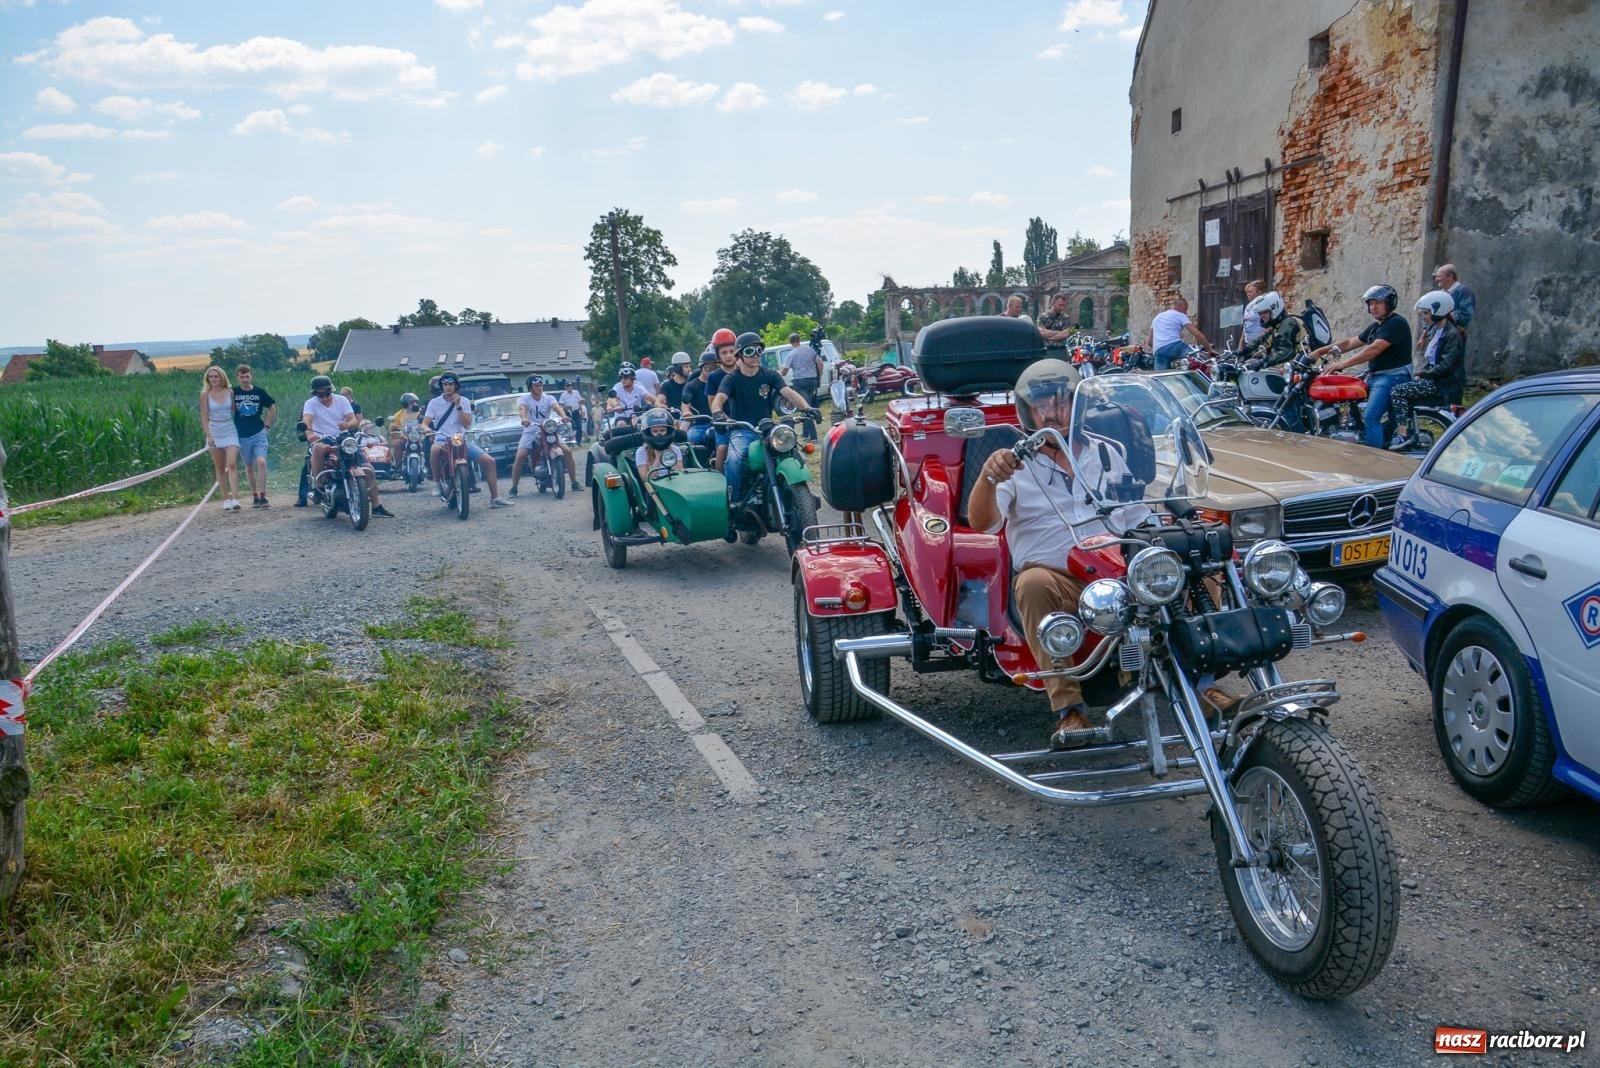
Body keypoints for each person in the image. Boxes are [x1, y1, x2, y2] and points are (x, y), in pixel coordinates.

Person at [966, 358, 1142, 747]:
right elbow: (982, 523)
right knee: (1031, 584)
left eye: (1060, 401)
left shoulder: (1108, 451)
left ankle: (1200, 685)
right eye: (1040, 404)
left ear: (1077, 404)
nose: (1051, 412)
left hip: (1114, 570)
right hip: (1059, 579)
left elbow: (1137, 516)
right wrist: (989, 476)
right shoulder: (1014, 464)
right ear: (1027, 412)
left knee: (1181, 559)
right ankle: (1069, 709)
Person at [710, 331, 816, 541]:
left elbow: (787, 392)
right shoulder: (732, 379)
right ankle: (733, 500)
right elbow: (718, 399)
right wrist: (718, 412)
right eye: (750, 351)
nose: (756, 355)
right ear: (740, 355)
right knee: (735, 459)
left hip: (767, 428)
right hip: (742, 430)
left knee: (791, 451)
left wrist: (807, 407)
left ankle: (798, 495)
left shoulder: (770, 375)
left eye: (759, 350)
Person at [1311, 284, 1413, 449]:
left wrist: (1343, 364)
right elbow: (1350, 343)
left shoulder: (1396, 323)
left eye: (1377, 303)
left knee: (1371, 417)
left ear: (1389, 303)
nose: (1373, 307)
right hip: (1376, 375)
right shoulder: (1376, 327)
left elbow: (1374, 349)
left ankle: (1374, 458)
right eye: (1370, 303)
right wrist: (1319, 351)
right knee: (1351, 402)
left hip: (1393, 376)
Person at [302, 374, 394, 518]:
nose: (324, 398)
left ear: (331, 390)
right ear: (315, 394)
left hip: (343, 437)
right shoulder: (310, 403)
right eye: (320, 395)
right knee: (318, 448)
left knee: (368, 468)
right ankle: (319, 486)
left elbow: (353, 420)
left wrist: (347, 424)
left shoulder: (342, 400)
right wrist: (310, 435)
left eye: (326, 394)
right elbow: (307, 421)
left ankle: (376, 506)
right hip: (322, 437)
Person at [1389, 290, 1466, 451]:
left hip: (1442, 383)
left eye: (1426, 313)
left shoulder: (1452, 334)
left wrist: (1422, 374)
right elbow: (1430, 360)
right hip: (1434, 379)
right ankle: (1402, 427)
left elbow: (1446, 365)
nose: (1423, 317)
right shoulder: (1436, 330)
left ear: (1439, 311)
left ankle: (1402, 435)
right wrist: (1421, 373)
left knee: (1397, 391)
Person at [423, 371, 513, 508]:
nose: (448, 387)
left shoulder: (464, 401)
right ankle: (437, 483)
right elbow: (425, 423)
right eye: (445, 384)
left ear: (456, 386)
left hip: (460, 439)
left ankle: (495, 498)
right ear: (442, 386)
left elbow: (466, 424)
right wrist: (427, 430)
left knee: (489, 461)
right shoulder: (434, 403)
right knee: (434, 449)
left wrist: (458, 406)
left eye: (451, 384)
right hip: (442, 437)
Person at [510, 374, 578, 496]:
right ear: (530, 388)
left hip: (548, 428)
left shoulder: (548, 398)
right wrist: (524, 418)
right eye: (536, 386)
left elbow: (556, 407)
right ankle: (514, 487)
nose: (539, 387)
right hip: (531, 429)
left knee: (567, 451)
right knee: (521, 455)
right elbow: (522, 409)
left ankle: (574, 482)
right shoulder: (525, 399)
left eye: (541, 385)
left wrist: (563, 416)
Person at [231, 363, 276, 509]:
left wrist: (267, 426)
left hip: (258, 432)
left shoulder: (259, 392)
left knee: (261, 462)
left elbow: (272, 407)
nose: (245, 379)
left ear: (251, 376)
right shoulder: (233, 393)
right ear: (237, 377)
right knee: (249, 466)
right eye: (242, 377)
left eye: (247, 376)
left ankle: (263, 496)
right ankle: (255, 496)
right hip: (242, 435)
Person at [201, 366, 242, 512]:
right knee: (219, 467)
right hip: (214, 430)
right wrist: (209, 436)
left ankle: (235, 498)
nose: (214, 379)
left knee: (232, 464)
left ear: (222, 377)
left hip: (229, 429)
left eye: (216, 376)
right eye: (211, 376)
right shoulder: (205, 394)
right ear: (208, 379)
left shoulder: (230, 392)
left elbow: (236, 411)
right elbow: (204, 417)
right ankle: (226, 499)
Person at [782, 330, 825, 442]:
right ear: (799, 340)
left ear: (790, 342)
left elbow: (784, 371)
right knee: (808, 404)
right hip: (812, 380)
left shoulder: (791, 354)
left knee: (805, 408)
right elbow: (820, 364)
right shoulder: (810, 350)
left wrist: (777, 376)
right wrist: (819, 378)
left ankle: (813, 436)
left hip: (800, 382)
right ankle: (805, 433)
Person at [705, 328, 740, 468]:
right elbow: (712, 404)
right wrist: (725, 419)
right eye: (724, 353)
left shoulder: (744, 372)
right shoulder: (713, 377)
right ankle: (720, 476)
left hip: (745, 420)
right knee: (722, 448)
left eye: (732, 351)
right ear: (718, 356)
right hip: (724, 423)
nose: (729, 356)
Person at [1150, 296, 1212, 370]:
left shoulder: (1157, 318)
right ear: (1179, 306)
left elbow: (1150, 342)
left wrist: (1162, 349)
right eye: (1185, 309)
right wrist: (1209, 349)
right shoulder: (1179, 315)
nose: (1186, 312)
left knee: (1161, 375)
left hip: (1158, 350)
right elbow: (1196, 334)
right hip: (1175, 346)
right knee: (1202, 359)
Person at [681, 350, 720, 462]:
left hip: (721, 423)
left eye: (715, 368)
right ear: (701, 368)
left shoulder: (723, 383)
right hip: (700, 424)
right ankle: (694, 465)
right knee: (690, 440)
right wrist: (687, 412)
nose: (712, 371)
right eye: (708, 368)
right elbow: (685, 404)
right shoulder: (691, 386)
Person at [634, 407, 685, 483]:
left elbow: (681, 474)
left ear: (668, 431)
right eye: (655, 431)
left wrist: (669, 456)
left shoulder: (675, 449)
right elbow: (645, 480)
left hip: (675, 482)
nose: (659, 435)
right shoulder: (641, 451)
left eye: (662, 430)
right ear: (648, 433)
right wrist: (658, 457)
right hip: (654, 487)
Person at [388, 391, 424, 459]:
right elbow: (393, 427)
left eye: (415, 402)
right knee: (397, 444)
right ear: (405, 404)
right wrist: (398, 435)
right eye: (412, 402)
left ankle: (428, 464)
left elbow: (427, 423)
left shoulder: (422, 412)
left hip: (420, 438)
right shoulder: (399, 414)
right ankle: (398, 464)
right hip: (405, 438)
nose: (415, 404)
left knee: (430, 445)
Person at [1239, 280, 1267, 347]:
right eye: (1247, 292)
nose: (1248, 294)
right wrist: (1241, 344)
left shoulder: (1264, 305)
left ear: (1259, 292)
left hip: (1260, 343)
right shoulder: (1248, 306)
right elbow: (1246, 324)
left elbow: (1269, 324)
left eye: (1250, 292)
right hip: (1249, 343)